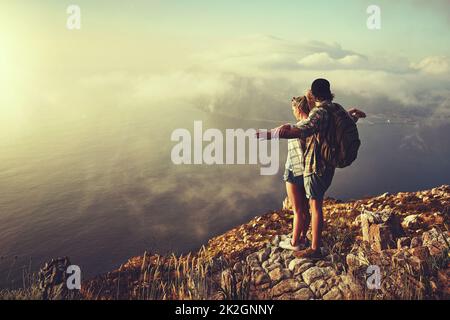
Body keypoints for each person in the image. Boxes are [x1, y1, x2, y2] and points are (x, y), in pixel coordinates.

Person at [259, 79, 366, 258]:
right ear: (329, 92)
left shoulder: (319, 113)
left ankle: (314, 249)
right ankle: (309, 242)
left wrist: (270, 134)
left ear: (315, 96)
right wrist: (353, 114)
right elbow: (339, 124)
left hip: (317, 165)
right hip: (329, 163)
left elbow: (304, 129)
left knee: (315, 207)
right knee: (313, 206)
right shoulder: (336, 108)